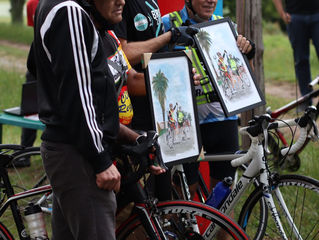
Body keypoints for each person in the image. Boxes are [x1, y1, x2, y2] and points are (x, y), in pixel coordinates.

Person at [29, 0, 164, 239]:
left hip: (74, 149)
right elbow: (78, 98)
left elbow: (95, 104)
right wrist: (100, 160)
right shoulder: (69, 12)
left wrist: (133, 139)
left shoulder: (83, 18)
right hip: (79, 156)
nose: (122, 1)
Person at [162, 0, 255, 199]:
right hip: (185, 121)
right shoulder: (168, 24)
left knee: (223, 195)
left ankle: (215, 231)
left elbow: (247, 77)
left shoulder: (226, 27)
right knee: (186, 192)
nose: (210, 0)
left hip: (223, 118)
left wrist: (248, 54)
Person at [113, 0, 199, 201]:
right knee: (133, 202)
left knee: (162, 195)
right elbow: (123, 54)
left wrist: (179, 75)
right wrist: (168, 36)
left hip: (157, 105)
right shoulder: (121, 4)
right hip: (135, 112)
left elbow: (148, 53)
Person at [272, 0, 319, 101]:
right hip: (295, 17)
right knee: (301, 60)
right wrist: (282, 13)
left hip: (317, 13)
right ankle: (306, 101)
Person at [13, 0, 40, 168]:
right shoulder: (31, 4)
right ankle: (24, 154)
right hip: (38, 54)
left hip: (58, 54)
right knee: (30, 104)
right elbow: (36, 31)